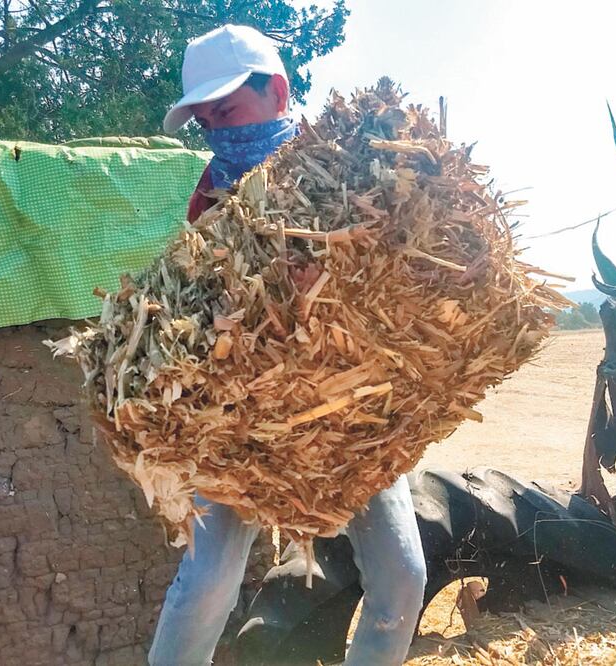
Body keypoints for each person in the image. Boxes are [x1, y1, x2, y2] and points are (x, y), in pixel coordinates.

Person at [150, 25, 427, 666]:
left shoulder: (353, 170)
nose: (218, 131)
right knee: (206, 583)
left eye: (227, 111)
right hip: (244, 418)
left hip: (349, 412)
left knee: (402, 577)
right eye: (205, 120)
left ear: (277, 92)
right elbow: (199, 311)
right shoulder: (211, 198)